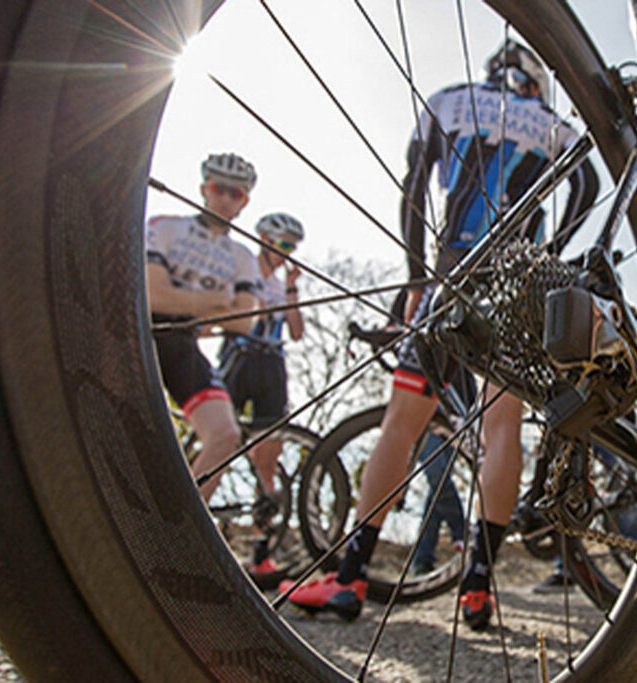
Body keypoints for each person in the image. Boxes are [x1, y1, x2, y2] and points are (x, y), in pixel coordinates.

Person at [280, 40, 599, 630]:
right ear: (535, 80)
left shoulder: (449, 100)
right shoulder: (551, 122)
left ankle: (350, 578)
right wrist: (551, 253)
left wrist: (415, 277)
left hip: (449, 272)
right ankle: (477, 590)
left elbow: (413, 187)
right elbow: (587, 186)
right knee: (501, 426)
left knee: (401, 422)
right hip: (515, 280)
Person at [146, 152, 260, 503]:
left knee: (226, 435)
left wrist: (180, 297)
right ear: (203, 189)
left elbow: (243, 321)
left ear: (244, 202)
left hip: (184, 343)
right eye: (219, 188)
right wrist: (215, 304)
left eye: (236, 194)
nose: (225, 198)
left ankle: (181, 529)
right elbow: (151, 295)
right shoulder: (166, 227)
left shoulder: (243, 256)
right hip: (140, 332)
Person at [216, 212, 305, 585]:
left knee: (268, 461)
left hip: (272, 364)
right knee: (220, 440)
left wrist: (291, 289)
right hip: (239, 357)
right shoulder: (243, 267)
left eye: (292, 247)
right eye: (282, 244)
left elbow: (297, 332)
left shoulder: (283, 283)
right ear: (264, 240)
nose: (286, 253)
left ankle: (260, 554)